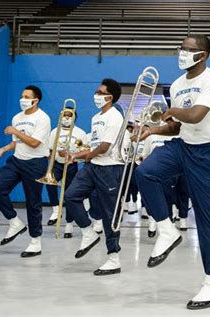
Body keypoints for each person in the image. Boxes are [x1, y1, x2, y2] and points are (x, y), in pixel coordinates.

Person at [135, 34, 210, 310]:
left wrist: (171, 110)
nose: (183, 53)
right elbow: (177, 126)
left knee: (207, 219)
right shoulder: (176, 84)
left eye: (189, 50)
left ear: (204, 54)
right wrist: (151, 130)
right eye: (181, 48)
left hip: (208, 153)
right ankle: (166, 230)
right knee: (145, 172)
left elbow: (196, 115)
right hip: (184, 146)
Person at [64, 78, 124, 275]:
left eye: (100, 92)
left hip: (110, 169)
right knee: (71, 195)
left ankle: (114, 258)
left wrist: (85, 157)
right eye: (97, 92)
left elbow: (105, 147)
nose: (96, 95)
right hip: (93, 166)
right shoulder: (96, 117)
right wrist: (75, 155)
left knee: (109, 214)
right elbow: (94, 144)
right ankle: (88, 232)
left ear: (109, 97)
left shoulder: (115, 117)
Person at [0, 85, 50, 257]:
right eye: (22, 96)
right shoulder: (17, 117)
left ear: (35, 100)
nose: (22, 99)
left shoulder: (43, 118)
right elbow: (17, 142)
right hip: (17, 161)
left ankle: (35, 242)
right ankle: (15, 222)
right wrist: (3, 149)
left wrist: (15, 131)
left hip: (35, 163)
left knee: (33, 202)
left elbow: (34, 143)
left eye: (26, 97)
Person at [45, 109, 87, 239]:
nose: (67, 118)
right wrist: (51, 165)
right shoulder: (54, 131)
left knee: (69, 195)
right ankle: (56, 210)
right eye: (64, 116)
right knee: (49, 182)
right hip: (57, 164)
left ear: (75, 117)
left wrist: (72, 156)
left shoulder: (80, 133)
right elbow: (51, 151)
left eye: (70, 116)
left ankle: (69, 225)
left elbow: (85, 152)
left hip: (71, 166)